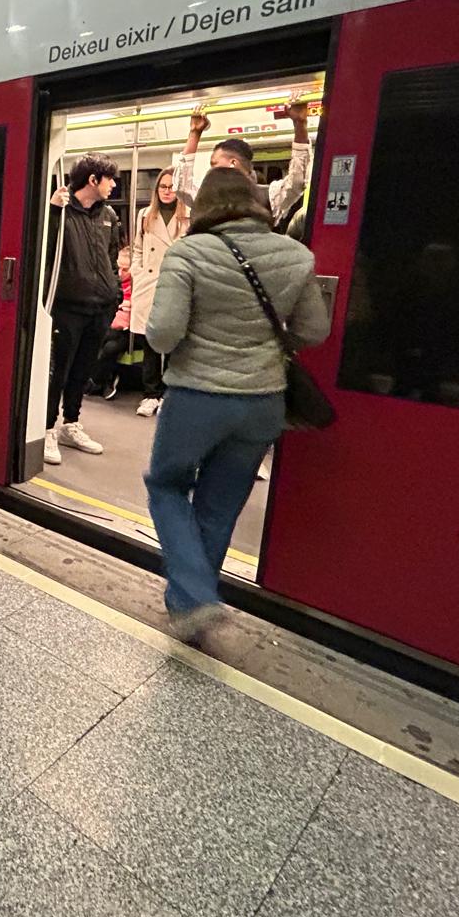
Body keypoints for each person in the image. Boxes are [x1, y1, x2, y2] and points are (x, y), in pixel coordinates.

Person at [143, 168, 329, 641]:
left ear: (204, 205)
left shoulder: (189, 252)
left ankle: (196, 596)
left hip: (197, 398)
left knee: (165, 486)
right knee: (219, 506)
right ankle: (188, 607)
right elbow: (313, 331)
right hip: (263, 401)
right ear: (256, 202)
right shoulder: (295, 255)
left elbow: (162, 332)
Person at [44, 154, 122, 465]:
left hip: (100, 306)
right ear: (92, 180)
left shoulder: (109, 217)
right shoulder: (61, 212)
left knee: (83, 371)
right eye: (109, 179)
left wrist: (113, 294)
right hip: (68, 306)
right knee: (59, 372)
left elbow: (112, 258)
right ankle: (47, 427)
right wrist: (51, 210)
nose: (114, 184)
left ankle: (70, 424)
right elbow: (45, 250)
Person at [171, 97, 313, 227]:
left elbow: (297, 181)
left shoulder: (268, 196)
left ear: (233, 163)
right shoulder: (208, 195)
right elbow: (182, 187)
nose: (211, 171)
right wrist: (194, 134)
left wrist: (300, 124)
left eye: (214, 164)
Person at [131, 168, 190, 417]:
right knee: (150, 342)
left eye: (171, 186)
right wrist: (138, 271)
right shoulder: (145, 214)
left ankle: (171, 394)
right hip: (149, 283)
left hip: (176, 283)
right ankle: (150, 394)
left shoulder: (189, 217)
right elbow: (137, 247)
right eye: (163, 187)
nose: (167, 191)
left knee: (176, 342)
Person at [89, 245, 133, 400]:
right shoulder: (114, 284)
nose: (121, 273)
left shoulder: (138, 288)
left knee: (110, 347)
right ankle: (98, 381)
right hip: (115, 323)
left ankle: (97, 382)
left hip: (131, 328)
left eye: (125, 269)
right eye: (119, 268)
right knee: (98, 340)